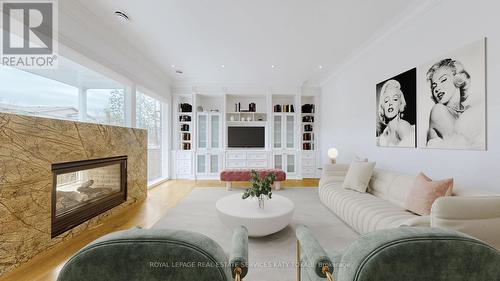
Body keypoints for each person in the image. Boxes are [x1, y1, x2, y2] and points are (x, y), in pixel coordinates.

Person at [425, 58, 483, 148]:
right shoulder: (438, 110)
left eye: (443, 80)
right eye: (434, 86)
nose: (437, 88)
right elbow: (463, 146)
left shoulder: (470, 111)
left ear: (458, 79)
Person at [377, 79, 415, 147]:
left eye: (395, 99)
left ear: (400, 104)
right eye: (386, 101)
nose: (390, 103)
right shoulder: (384, 134)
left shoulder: (403, 126)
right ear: (382, 107)